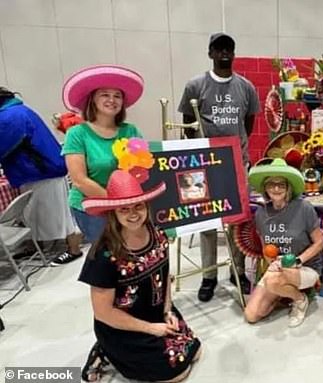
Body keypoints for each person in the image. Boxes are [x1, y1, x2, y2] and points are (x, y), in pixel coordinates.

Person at [78, 170, 201, 382]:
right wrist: (152, 329)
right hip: (123, 327)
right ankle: (105, 350)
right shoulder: (103, 255)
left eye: (138, 206)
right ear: (113, 212)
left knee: (195, 352)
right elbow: (103, 313)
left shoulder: (158, 234)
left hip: (155, 312)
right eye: (124, 209)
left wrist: (167, 310)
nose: (133, 214)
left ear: (146, 206)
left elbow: (165, 277)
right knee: (177, 373)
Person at [178, 32, 260, 301]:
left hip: (237, 162)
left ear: (233, 54)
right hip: (205, 164)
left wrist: (236, 148)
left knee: (237, 218)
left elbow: (248, 123)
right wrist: (202, 152)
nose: (224, 53)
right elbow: (189, 124)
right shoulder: (195, 85)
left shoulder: (246, 87)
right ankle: (209, 275)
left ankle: (237, 271)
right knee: (207, 220)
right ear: (210, 53)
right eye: (218, 48)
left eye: (229, 49)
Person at [62, 65, 144, 244]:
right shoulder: (77, 134)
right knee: (108, 255)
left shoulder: (131, 131)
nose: (112, 100)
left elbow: (142, 169)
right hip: (92, 207)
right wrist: (116, 204)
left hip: (127, 207)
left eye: (117, 96)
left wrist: (127, 205)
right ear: (93, 100)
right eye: (105, 94)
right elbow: (79, 180)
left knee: (132, 253)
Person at [0, 87, 83, 266]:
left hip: (42, 171)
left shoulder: (9, 117)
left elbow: (2, 146)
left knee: (61, 215)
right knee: (34, 214)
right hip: (38, 170)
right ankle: (37, 245)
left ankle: (73, 250)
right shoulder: (17, 111)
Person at [243, 159, 323, 327]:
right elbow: (266, 247)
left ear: (288, 187)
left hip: (305, 266)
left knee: (272, 281)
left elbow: (319, 243)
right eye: (271, 184)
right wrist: (271, 262)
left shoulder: (304, 207)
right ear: (265, 187)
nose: (276, 188)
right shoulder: (261, 213)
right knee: (252, 314)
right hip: (278, 268)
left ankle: (300, 299)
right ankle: (283, 291)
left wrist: (298, 261)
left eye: (281, 184)